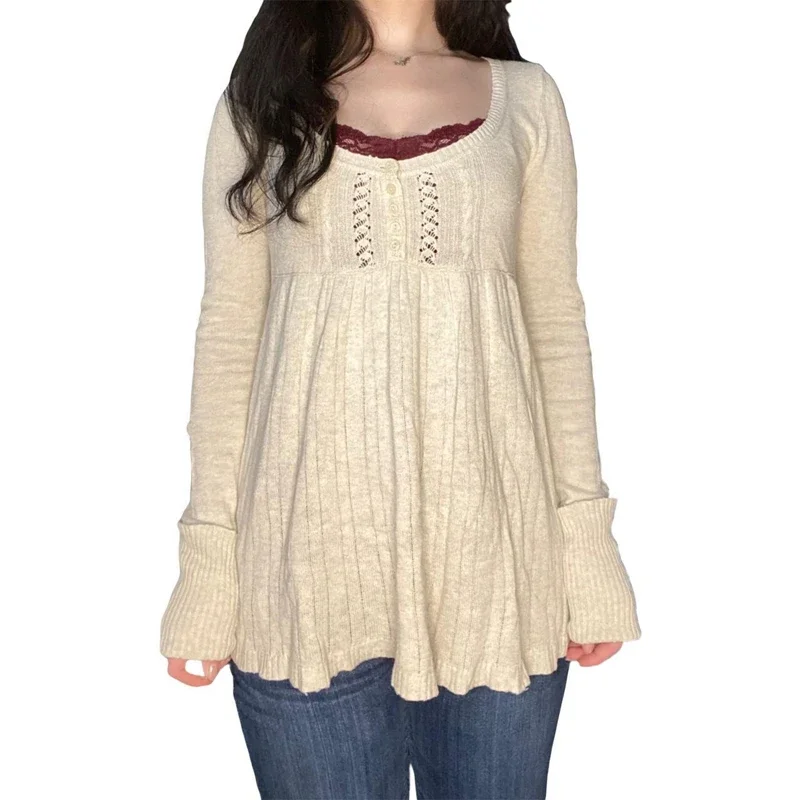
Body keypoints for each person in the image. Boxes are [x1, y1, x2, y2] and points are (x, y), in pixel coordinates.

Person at [159, 1, 642, 797]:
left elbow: (555, 327)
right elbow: (229, 340)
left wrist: (587, 549)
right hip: (301, 578)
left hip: (497, 572)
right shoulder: (259, 103)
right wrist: (208, 569)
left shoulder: (528, 98)